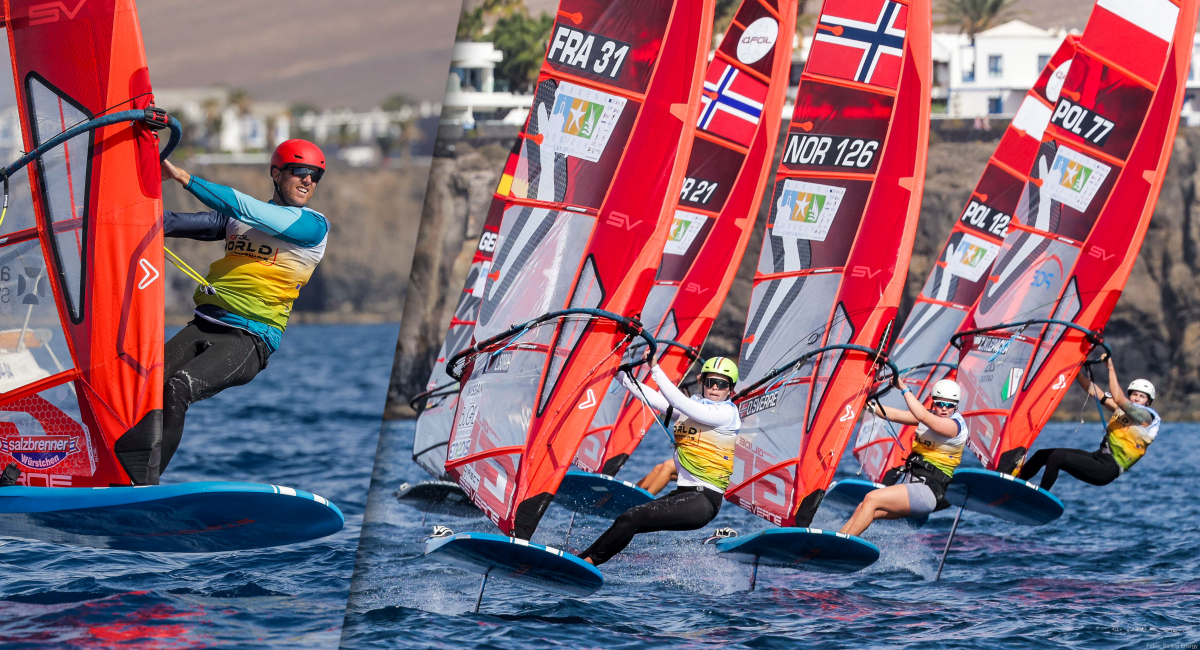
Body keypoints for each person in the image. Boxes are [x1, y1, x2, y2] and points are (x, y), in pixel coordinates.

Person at [136, 140, 329, 485]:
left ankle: (143, 485)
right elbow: (164, 221)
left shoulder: (313, 227)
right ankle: (112, 467)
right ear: (276, 173)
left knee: (178, 389)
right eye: (300, 172)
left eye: (315, 176)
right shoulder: (235, 221)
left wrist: (184, 178)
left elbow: (250, 210)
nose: (307, 181)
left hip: (250, 340)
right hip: (205, 325)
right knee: (140, 387)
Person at [579, 357, 742, 566]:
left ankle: (588, 562)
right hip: (684, 494)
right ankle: (581, 560)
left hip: (704, 501)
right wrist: (619, 374)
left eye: (722, 384)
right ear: (702, 381)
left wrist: (654, 368)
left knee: (633, 518)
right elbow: (656, 400)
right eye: (711, 382)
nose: (715, 388)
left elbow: (680, 402)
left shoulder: (726, 413)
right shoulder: (696, 407)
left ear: (731, 389)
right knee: (626, 517)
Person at [839, 378, 968, 537]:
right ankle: (833, 543)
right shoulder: (927, 416)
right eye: (940, 403)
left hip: (927, 492)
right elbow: (891, 414)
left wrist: (903, 387)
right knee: (863, 507)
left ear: (956, 406)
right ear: (933, 402)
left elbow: (920, 414)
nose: (944, 409)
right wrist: (863, 400)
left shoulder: (954, 426)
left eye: (950, 405)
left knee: (871, 498)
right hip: (911, 487)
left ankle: (845, 544)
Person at [1016, 359, 1160, 491]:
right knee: (1042, 455)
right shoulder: (1121, 410)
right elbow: (1095, 392)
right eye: (1135, 394)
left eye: (1142, 396)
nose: (1137, 398)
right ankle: (1014, 485)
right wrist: (1077, 371)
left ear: (1148, 402)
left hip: (1107, 469)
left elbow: (1118, 398)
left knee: (1057, 457)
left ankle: (1040, 497)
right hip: (1097, 458)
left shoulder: (1147, 417)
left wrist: (1110, 368)